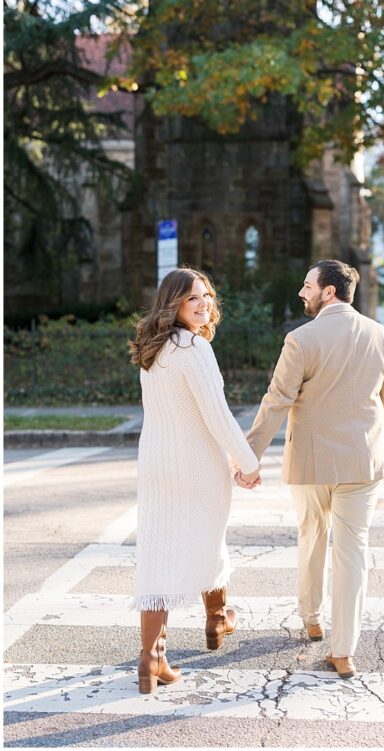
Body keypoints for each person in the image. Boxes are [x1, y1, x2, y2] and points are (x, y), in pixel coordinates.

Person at [245, 260, 384, 680]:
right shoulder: (382, 336)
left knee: (312, 534)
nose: (302, 291)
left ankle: (311, 617)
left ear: (328, 292)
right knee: (353, 553)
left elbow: (277, 399)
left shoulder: (301, 339)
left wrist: (249, 455)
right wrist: (372, 443)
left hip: (311, 461)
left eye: (308, 285)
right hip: (363, 462)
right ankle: (343, 651)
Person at [128, 268, 262, 694]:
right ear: (174, 305)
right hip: (198, 464)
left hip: (155, 464)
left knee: (157, 554)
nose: (204, 304)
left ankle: (152, 656)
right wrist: (248, 461)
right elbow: (216, 415)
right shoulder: (194, 348)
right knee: (208, 540)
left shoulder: (153, 349)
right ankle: (216, 619)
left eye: (206, 296)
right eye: (192, 299)